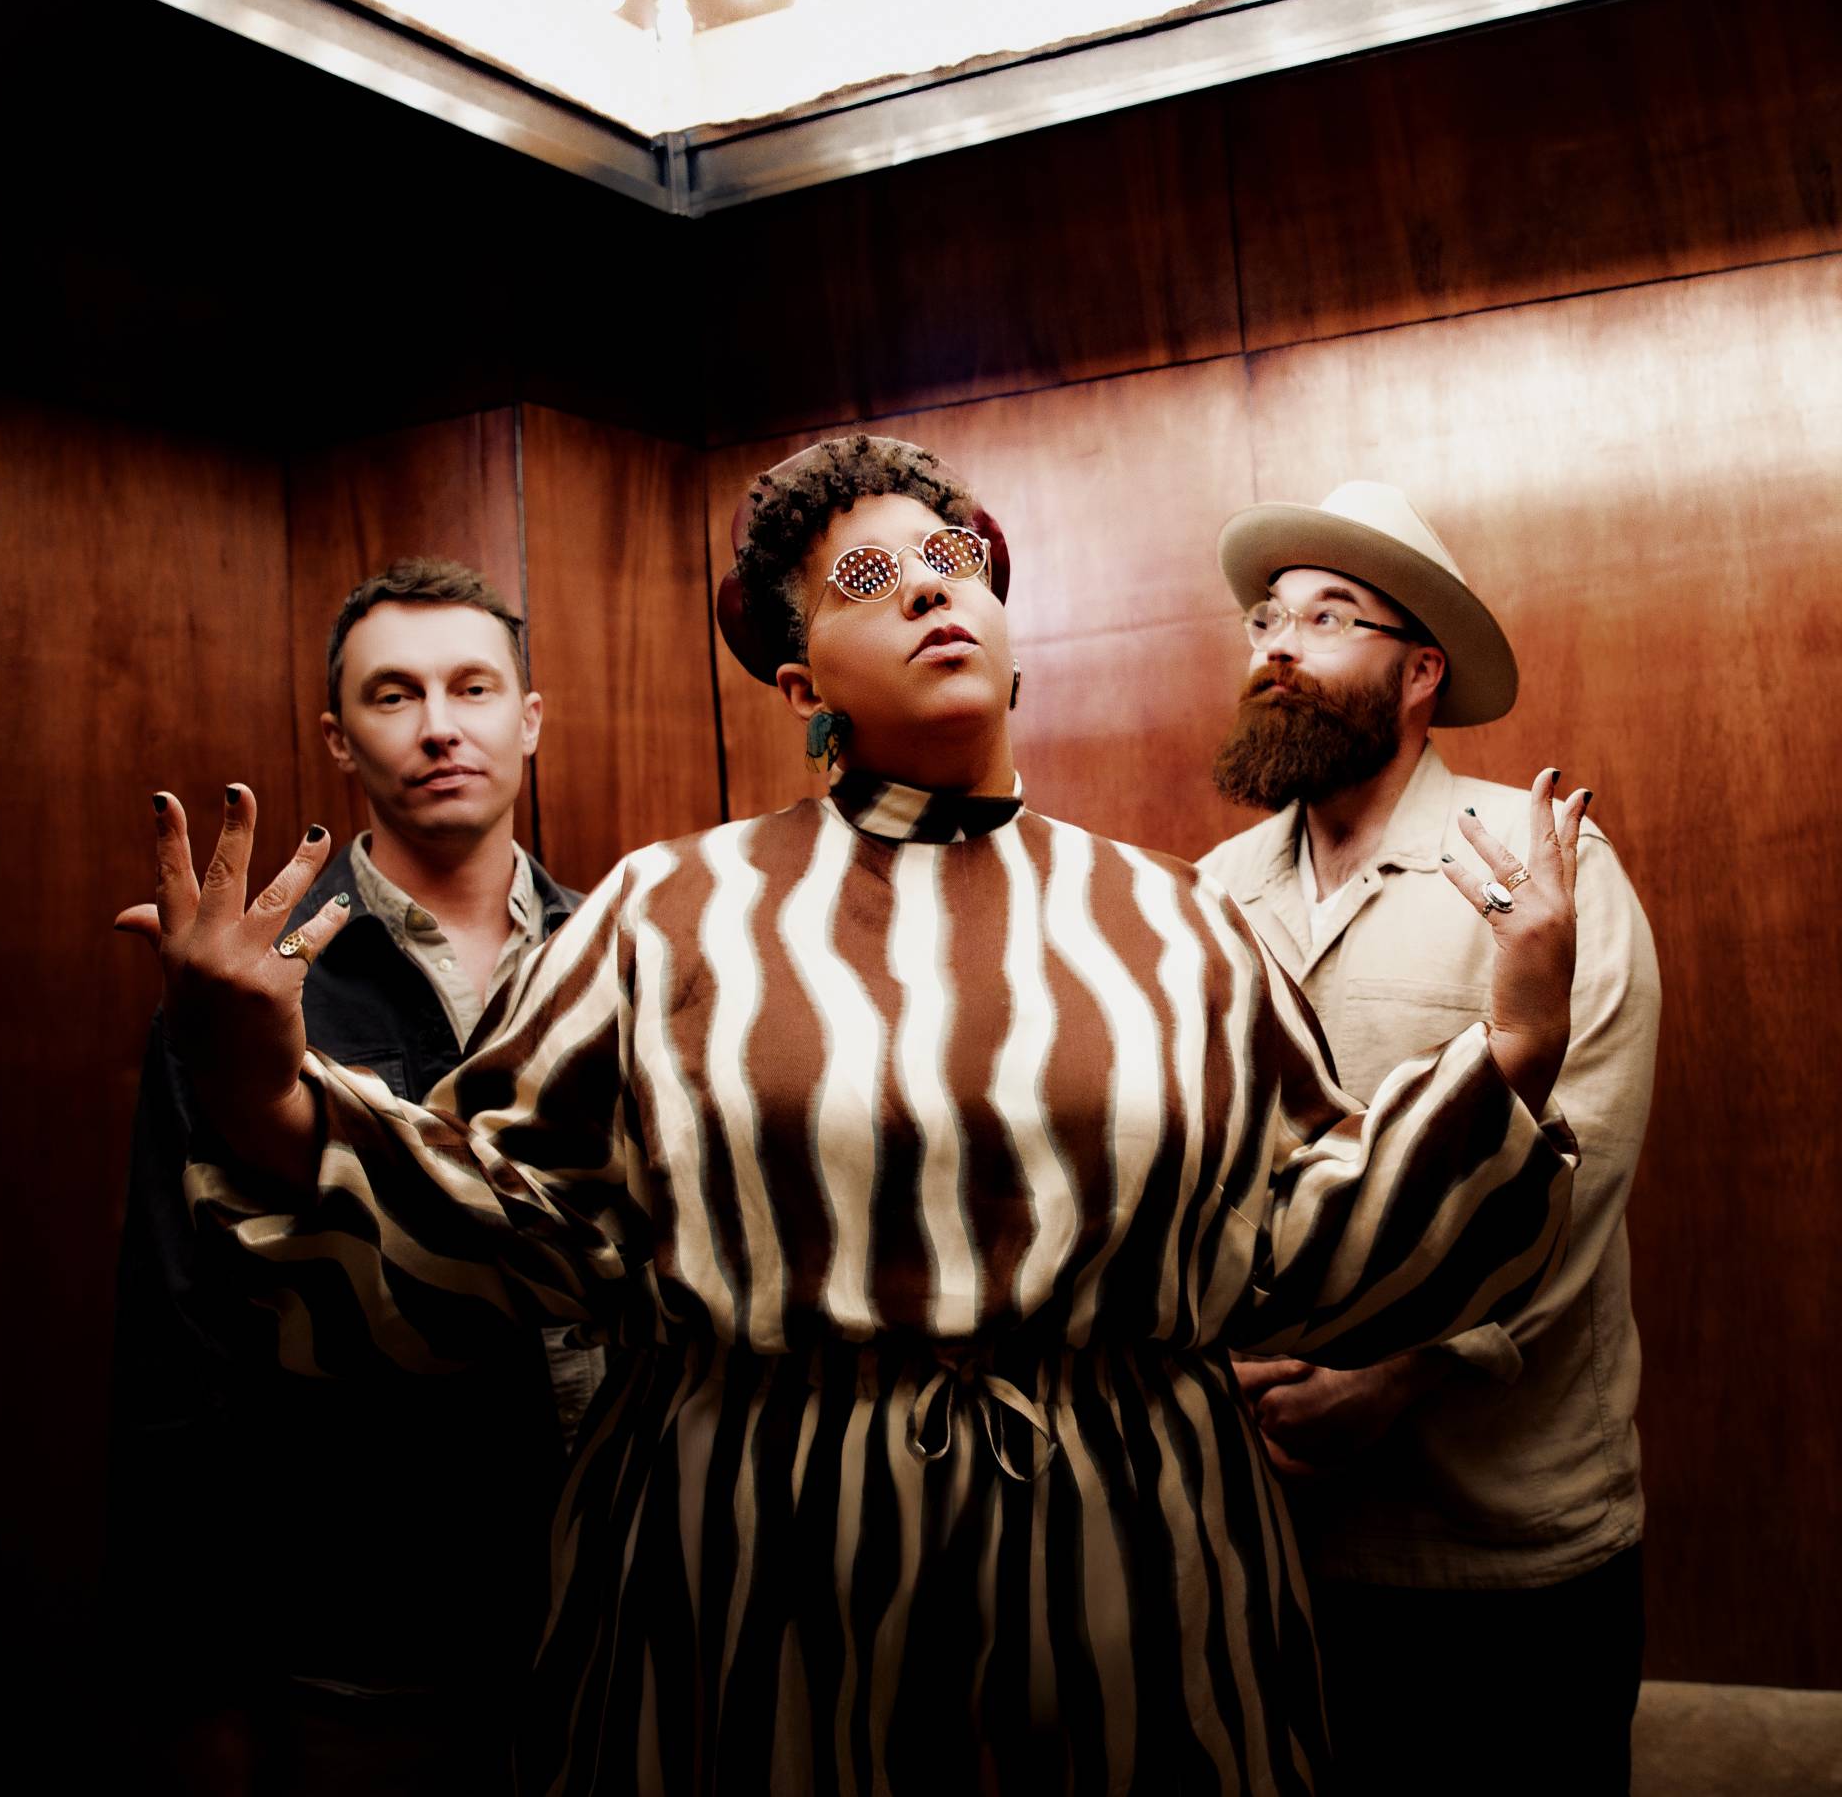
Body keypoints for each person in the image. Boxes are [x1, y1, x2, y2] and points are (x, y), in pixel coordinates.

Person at [142, 436, 1598, 1796]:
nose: (926, 582)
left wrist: (1518, 1042)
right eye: (862, 576)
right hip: (747, 1599)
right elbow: (510, 1218)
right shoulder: (667, 912)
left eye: (957, 556)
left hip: (1134, 1592)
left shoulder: (1178, 919)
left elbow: (1302, 1233)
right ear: (798, 682)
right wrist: (271, 1094)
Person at [1201, 482, 1661, 1795]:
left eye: (1330, 616)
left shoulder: (1541, 857)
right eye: (1265, 617)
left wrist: (1400, 1372)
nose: (1277, 643)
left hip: (1508, 1537)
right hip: (1276, 1526)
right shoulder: (1206, 895)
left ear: (1419, 672)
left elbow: (1587, 1157)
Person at [107, 556, 591, 1795]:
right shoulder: (253, 973)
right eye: (394, 694)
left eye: (473, 686)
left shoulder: (621, 950)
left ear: (528, 719)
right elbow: (175, 1324)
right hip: (366, 1624)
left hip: (621, 1606)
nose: (439, 724)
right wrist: (193, 1682)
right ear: (338, 735)